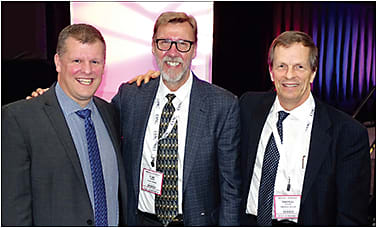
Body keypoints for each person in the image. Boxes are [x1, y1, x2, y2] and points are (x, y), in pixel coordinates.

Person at [112, 12, 242, 226]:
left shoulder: (222, 104)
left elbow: (231, 187)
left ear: (194, 49)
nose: (173, 52)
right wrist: (54, 98)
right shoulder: (131, 96)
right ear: (153, 47)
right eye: (165, 43)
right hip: (140, 221)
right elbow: (96, 121)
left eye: (183, 44)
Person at [239, 31, 371, 226]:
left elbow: (351, 215)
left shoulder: (347, 133)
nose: (289, 75)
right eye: (281, 66)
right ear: (271, 71)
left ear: (313, 72)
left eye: (299, 67)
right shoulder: (248, 107)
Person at [2, 24, 127, 226]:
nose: (87, 70)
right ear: (58, 62)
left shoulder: (111, 113)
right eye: (77, 60)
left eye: (95, 61)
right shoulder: (19, 119)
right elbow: (12, 209)